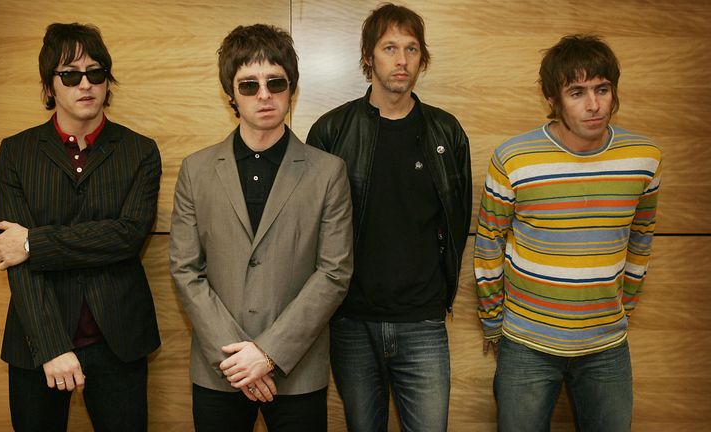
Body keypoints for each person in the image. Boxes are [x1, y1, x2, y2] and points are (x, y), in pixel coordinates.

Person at [169, 24, 353, 432]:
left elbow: (334, 273)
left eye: (276, 82)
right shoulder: (196, 171)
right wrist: (238, 360)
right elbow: (185, 269)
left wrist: (267, 354)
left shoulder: (328, 172)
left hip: (296, 371)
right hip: (220, 370)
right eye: (249, 85)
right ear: (231, 95)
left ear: (292, 88)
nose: (264, 95)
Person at [474, 34, 662, 431]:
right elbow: (489, 242)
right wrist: (492, 319)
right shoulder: (513, 158)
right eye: (576, 92)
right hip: (527, 342)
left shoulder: (644, 159)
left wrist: (622, 308)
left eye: (602, 89)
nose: (593, 105)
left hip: (607, 345)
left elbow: (641, 239)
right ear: (552, 99)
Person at [0, 23, 161, 431]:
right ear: (50, 87)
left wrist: (34, 241)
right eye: (70, 74)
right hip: (37, 337)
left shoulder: (140, 151)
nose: (86, 84)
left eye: (96, 73)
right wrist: (51, 347)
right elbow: (15, 258)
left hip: (118, 339)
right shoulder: (16, 152)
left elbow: (128, 236)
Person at [307, 4, 472, 430]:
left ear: (422, 58)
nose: (401, 60)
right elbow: (314, 228)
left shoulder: (446, 132)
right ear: (368, 57)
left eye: (412, 48)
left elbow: (456, 221)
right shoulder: (331, 131)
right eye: (389, 48)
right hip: (351, 321)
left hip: (423, 321)